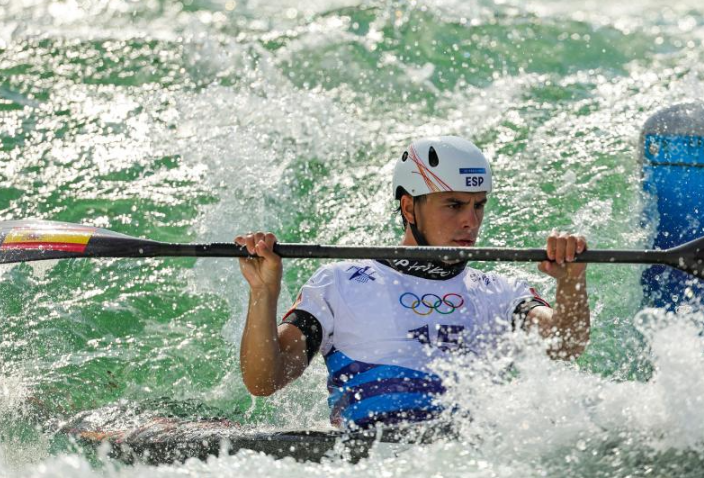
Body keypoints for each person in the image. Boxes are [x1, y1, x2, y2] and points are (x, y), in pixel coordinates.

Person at [236, 136, 590, 430]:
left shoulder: (501, 292)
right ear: (409, 208)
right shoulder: (339, 284)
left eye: (478, 206)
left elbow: (565, 345)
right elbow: (263, 381)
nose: (471, 221)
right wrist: (263, 293)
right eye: (454, 205)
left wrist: (571, 282)